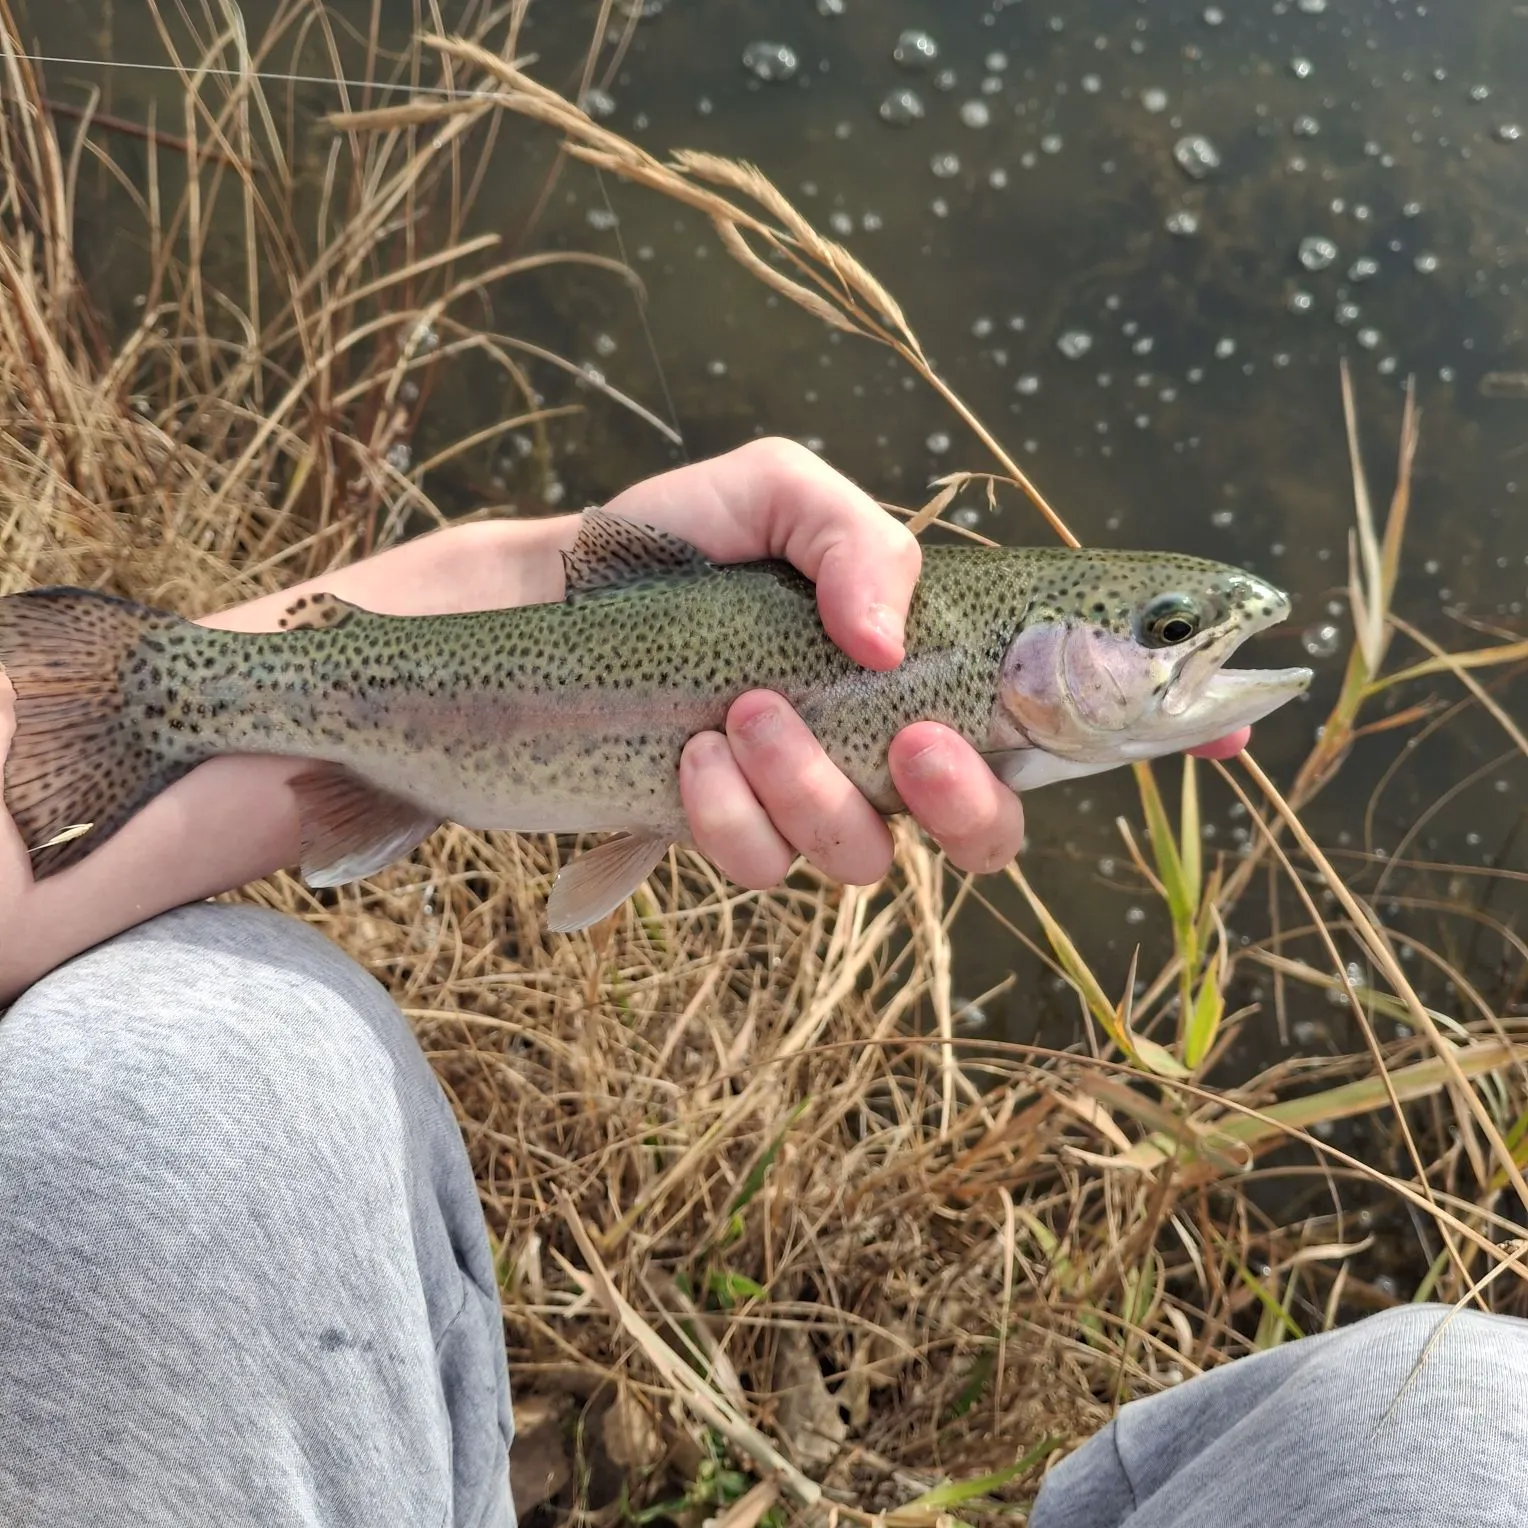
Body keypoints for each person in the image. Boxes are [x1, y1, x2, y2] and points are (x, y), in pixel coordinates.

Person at [0, 440, 1520, 1526]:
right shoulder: (965, 684)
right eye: (1167, 636)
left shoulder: (980, 688)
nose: (1196, 651)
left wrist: (527, 566)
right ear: (1045, 656)